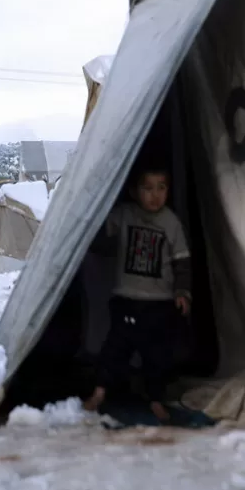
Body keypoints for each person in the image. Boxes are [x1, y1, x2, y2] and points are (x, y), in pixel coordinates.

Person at [83, 164, 192, 422]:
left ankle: (155, 399)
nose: (155, 195)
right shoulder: (124, 215)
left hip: (159, 304)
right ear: (134, 191)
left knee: (157, 355)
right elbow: (98, 237)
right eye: (148, 188)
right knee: (114, 350)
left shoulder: (171, 222)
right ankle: (99, 392)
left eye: (161, 188)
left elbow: (182, 261)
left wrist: (182, 292)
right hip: (127, 300)